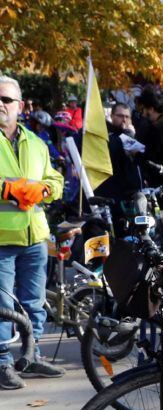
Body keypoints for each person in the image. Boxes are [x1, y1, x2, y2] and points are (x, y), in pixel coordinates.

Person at [0, 76, 66, 389]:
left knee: (34, 301)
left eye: (6, 100)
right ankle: (2, 362)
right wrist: (7, 190)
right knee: (3, 307)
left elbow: (56, 181)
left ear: (21, 106)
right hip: (1, 239)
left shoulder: (36, 143)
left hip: (34, 237)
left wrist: (41, 189)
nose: (1, 105)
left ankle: (31, 354)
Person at [96, 102, 144, 202]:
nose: (124, 120)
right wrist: (129, 135)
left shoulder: (133, 135)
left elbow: (141, 155)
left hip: (133, 191)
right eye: (120, 116)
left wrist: (131, 135)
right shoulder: (109, 137)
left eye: (127, 117)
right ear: (112, 116)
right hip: (114, 191)